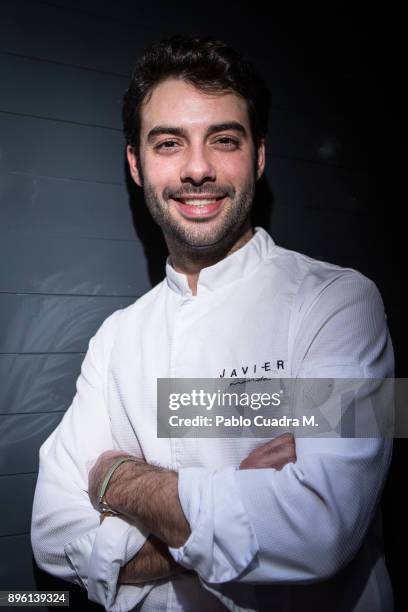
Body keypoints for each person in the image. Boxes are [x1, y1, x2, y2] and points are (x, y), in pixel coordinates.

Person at [31, 34, 394, 612]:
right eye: (169, 143)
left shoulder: (344, 304)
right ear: (135, 164)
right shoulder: (114, 339)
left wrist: (118, 482)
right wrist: (238, 500)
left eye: (224, 140)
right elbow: (52, 537)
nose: (197, 169)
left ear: (259, 156)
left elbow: (322, 528)